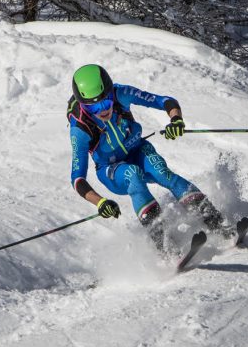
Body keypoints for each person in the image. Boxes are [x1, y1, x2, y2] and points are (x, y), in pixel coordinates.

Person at [66, 63, 227, 241]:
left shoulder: (122, 94)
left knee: (162, 173)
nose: (102, 110)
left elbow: (165, 101)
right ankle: (164, 244)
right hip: (111, 170)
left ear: (111, 92)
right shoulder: (80, 129)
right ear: (83, 106)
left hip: (137, 149)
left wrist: (176, 120)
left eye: (105, 101)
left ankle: (217, 223)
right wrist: (100, 202)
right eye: (93, 108)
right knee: (132, 174)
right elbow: (77, 179)